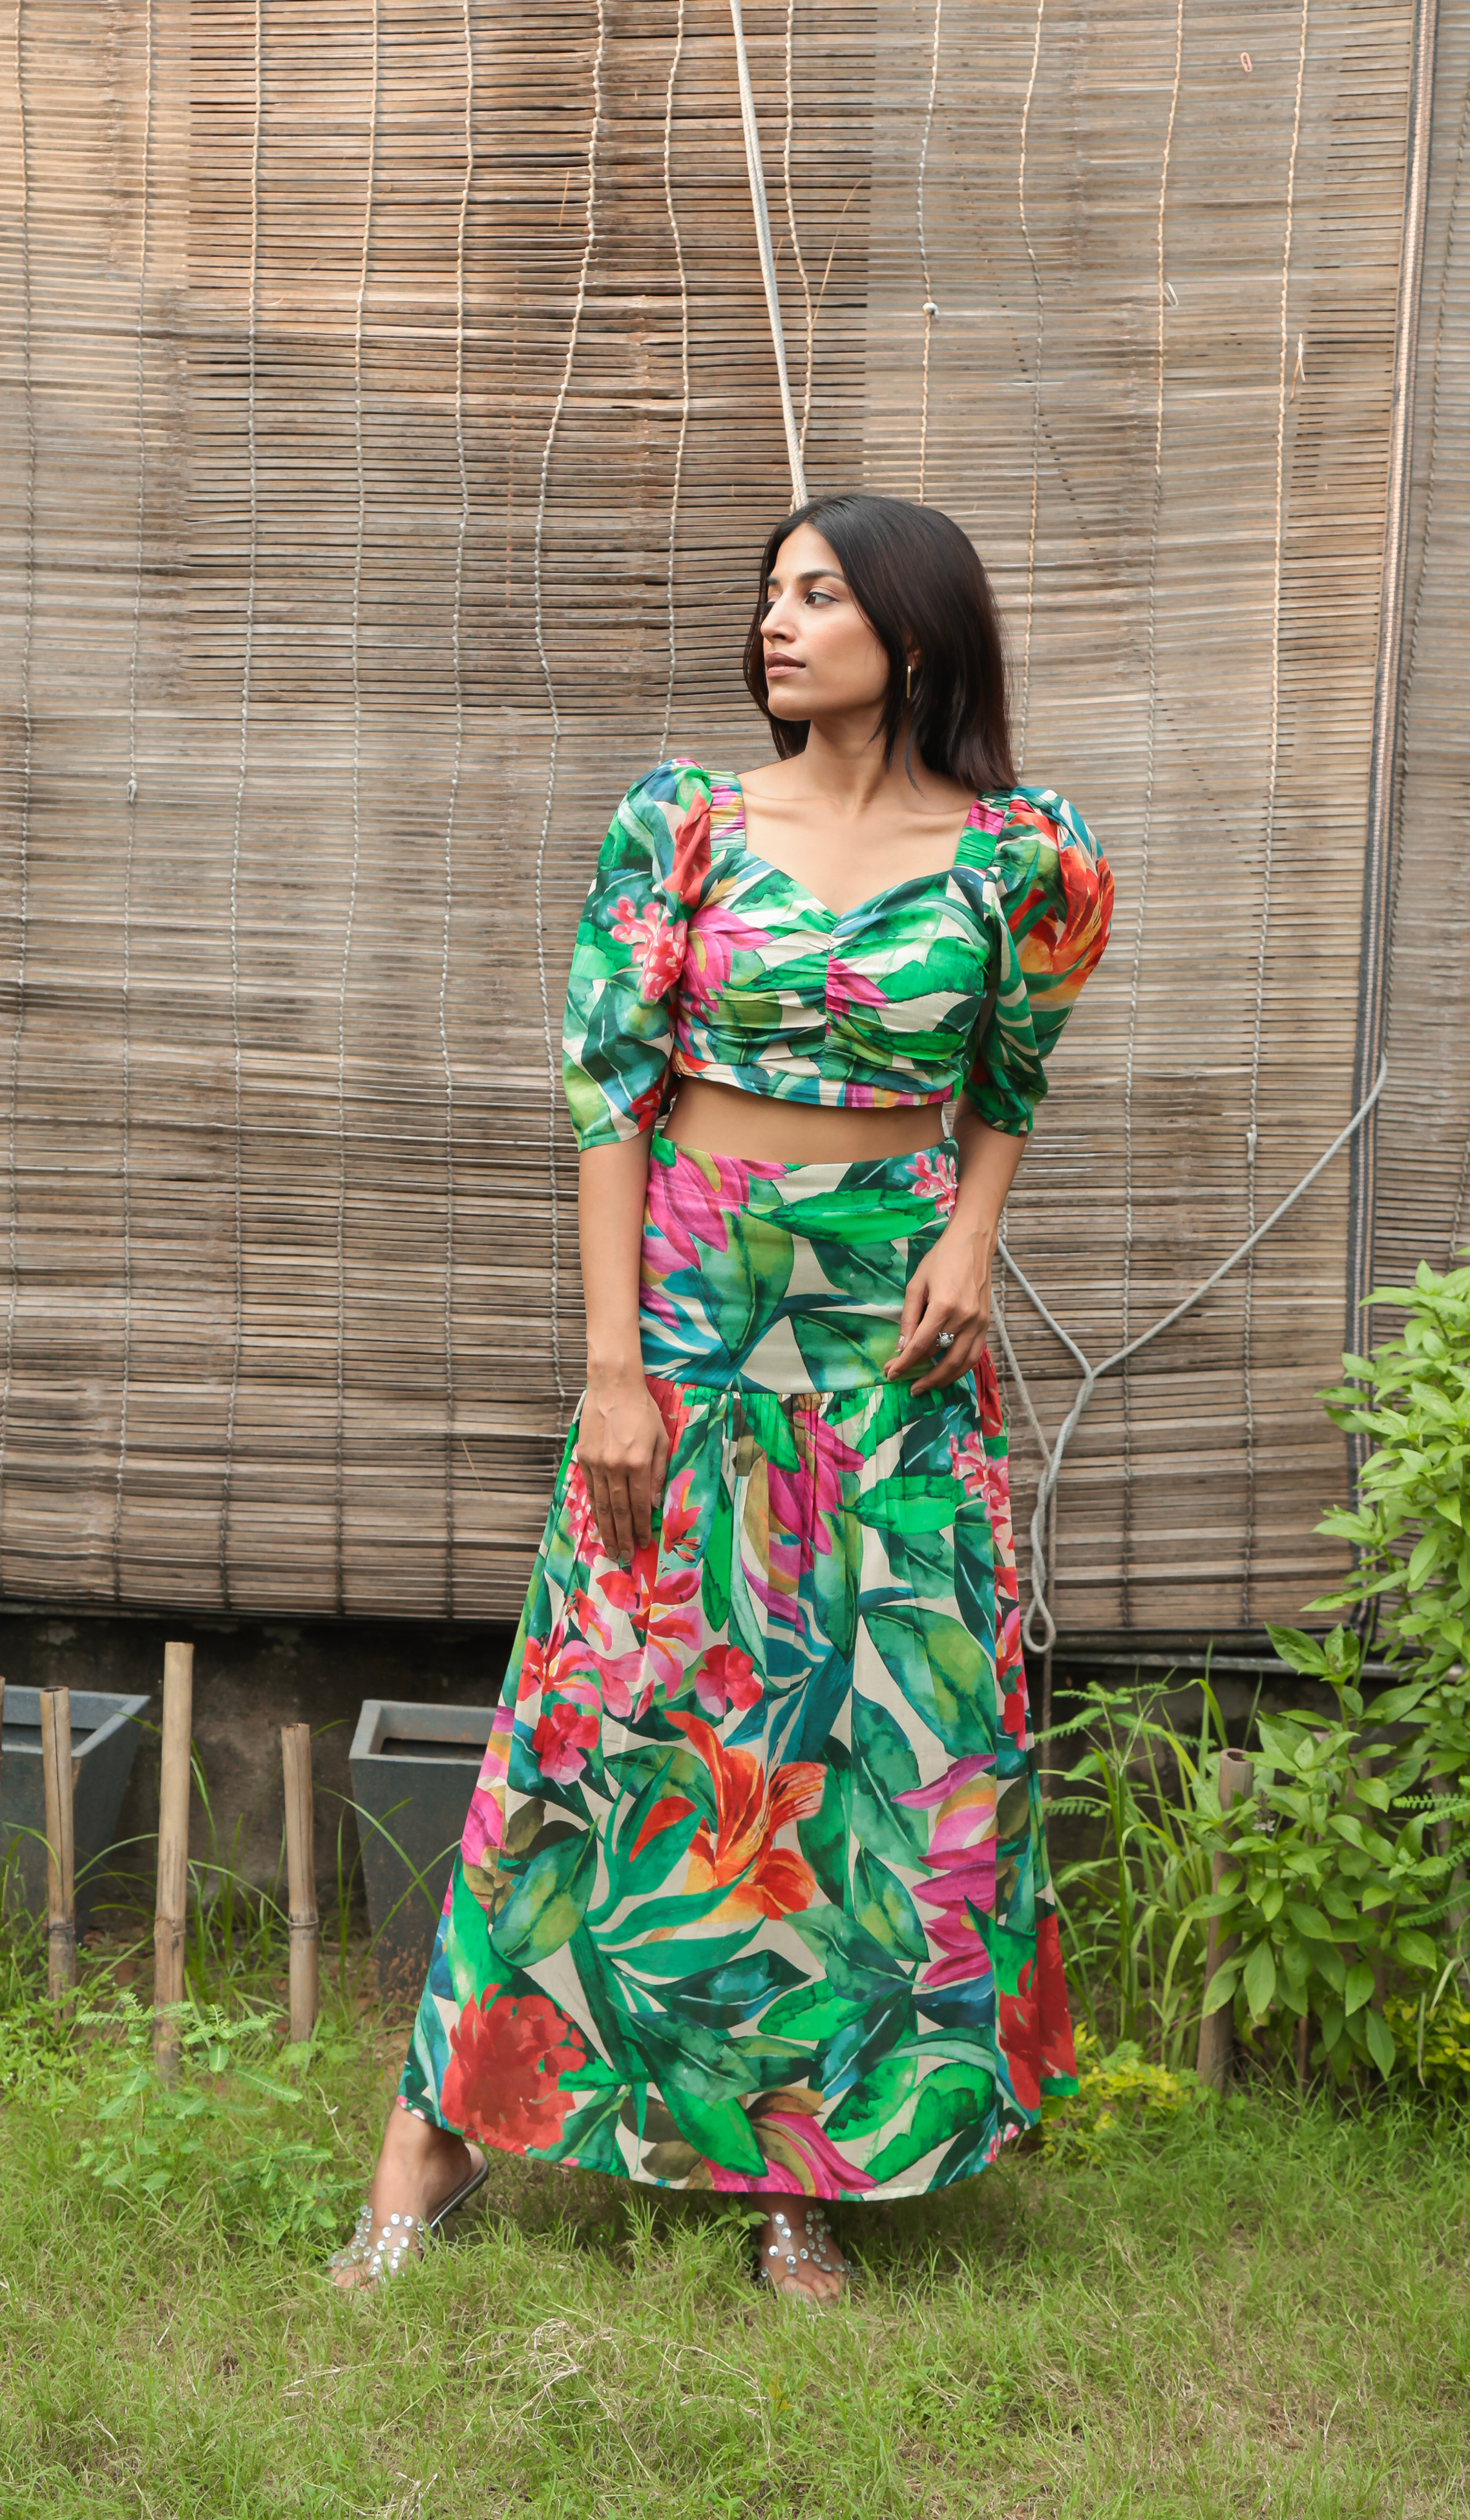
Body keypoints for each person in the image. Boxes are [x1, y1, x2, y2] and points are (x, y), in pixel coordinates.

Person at [331, 492, 1113, 2302]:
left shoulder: (1027, 858)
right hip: (688, 1307)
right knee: (597, 1706)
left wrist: (975, 1234)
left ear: (911, 638)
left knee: (861, 1747)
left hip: (889, 1331)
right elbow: (610, 1088)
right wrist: (615, 1361)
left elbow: (1012, 1071)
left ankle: (798, 2178)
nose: (777, 622)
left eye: (819, 595)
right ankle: (428, 2144)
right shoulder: (680, 824)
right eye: (770, 593)